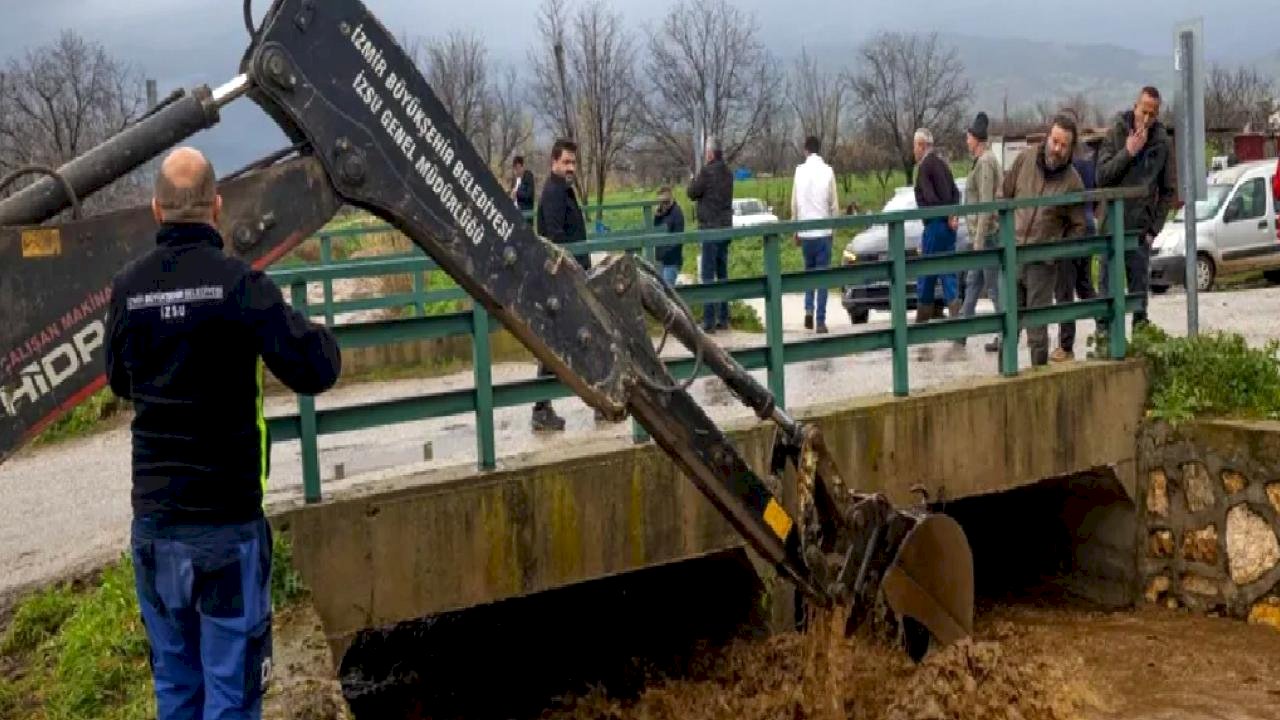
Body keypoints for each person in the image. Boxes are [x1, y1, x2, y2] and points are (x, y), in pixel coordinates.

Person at [105, 147, 342, 719]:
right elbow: (315, 369)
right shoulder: (240, 285)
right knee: (231, 697)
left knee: (178, 690)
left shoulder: (128, 288)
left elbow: (118, 380)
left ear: (156, 209)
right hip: (225, 527)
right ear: (216, 206)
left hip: (158, 524)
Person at [1002, 114, 1088, 366]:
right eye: (1055, 141)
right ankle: (1003, 378)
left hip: (1042, 262)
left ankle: (1039, 378)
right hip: (1013, 253)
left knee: (1037, 332)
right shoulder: (1025, 159)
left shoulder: (1073, 182)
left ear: (1071, 148)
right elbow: (1004, 195)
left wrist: (1056, 251)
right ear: (1048, 137)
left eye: (1064, 145)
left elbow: (1079, 226)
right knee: (1008, 327)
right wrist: (1002, 236)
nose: (1057, 149)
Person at [1096, 86, 1174, 335]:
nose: (1147, 119)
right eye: (1144, 112)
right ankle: (1105, 340)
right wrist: (1128, 152)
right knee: (1107, 292)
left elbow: (1168, 190)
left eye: (1153, 114)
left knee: (1139, 298)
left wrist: (1153, 229)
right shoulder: (1117, 131)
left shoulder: (1162, 142)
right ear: (1135, 107)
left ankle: (1140, 342)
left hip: (1140, 231)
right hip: (1112, 227)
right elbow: (1102, 177)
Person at [531, 138, 588, 432]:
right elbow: (555, 239)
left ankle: (544, 407)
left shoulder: (564, 190)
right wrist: (574, 272)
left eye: (573, 163)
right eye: (566, 162)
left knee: (571, 342)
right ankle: (541, 408)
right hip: (562, 281)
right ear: (554, 162)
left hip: (570, 278)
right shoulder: (554, 194)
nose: (570, 168)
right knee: (559, 345)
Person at [912, 127, 961, 360]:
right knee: (949, 273)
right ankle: (956, 323)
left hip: (933, 226)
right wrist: (953, 214)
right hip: (949, 227)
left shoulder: (924, 168)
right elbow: (955, 192)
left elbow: (930, 198)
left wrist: (939, 214)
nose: (914, 151)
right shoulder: (943, 164)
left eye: (915, 146)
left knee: (927, 275)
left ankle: (921, 326)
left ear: (922, 146)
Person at [1053, 123, 1101, 361]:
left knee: (1064, 289)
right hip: (1089, 223)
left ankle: (1066, 345)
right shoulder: (1088, 163)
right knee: (1084, 285)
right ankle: (1105, 329)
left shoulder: (1068, 167)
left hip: (1072, 228)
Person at [959, 111, 1004, 354]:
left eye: (968, 137)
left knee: (993, 286)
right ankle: (962, 331)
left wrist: (978, 240)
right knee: (973, 282)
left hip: (987, 235)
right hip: (981, 235)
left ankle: (1004, 332)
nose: (966, 141)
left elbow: (986, 202)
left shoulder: (985, 162)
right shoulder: (981, 161)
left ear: (976, 139)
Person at [790, 135, 840, 334]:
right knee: (823, 277)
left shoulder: (798, 172)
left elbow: (794, 203)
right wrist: (833, 228)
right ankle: (820, 320)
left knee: (809, 272)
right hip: (823, 232)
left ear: (805, 150)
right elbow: (834, 204)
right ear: (819, 150)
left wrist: (795, 229)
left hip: (805, 232)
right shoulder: (828, 171)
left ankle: (808, 309)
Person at [687, 136, 734, 332]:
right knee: (722, 273)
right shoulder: (728, 173)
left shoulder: (706, 173)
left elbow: (692, 193)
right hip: (725, 227)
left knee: (708, 275)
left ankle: (708, 320)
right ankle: (723, 318)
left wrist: (692, 179)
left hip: (709, 229)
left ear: (710, 153)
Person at [653, 186, 686, 287]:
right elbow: (655, 231)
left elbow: (678, 238)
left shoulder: (677, 213)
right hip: (660, 259)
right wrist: (657, 217)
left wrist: (666, 252)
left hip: (671, 260)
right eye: (661, 202)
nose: (664, 205)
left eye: (666, 202)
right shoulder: (661, 213)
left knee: (668, 290)